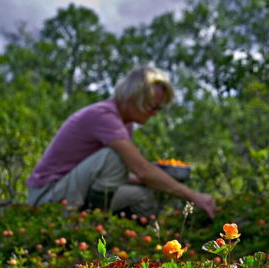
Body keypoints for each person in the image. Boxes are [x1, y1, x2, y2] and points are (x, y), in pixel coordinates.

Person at [26, 66, 215, 219]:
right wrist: (194, 197)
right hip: (47, 196)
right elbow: (142, 170)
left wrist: (152, 180)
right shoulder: (104, 116)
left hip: (74, 190)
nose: (155, 112)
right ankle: (93, 223)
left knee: (146, 196)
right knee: (114, 157)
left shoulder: (125, 122)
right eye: (153, 106)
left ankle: (128, 237)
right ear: (135, 97)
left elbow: (122, 175)